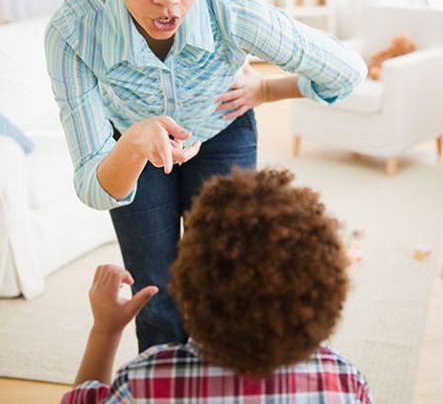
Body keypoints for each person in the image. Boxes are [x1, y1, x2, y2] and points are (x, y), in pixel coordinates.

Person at [45, 0, 367, 353]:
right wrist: (132, 142)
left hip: (222, 134)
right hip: (132, 152)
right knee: (155, 294)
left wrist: (268, 90)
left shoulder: (229, 2)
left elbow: (346, 70)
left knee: (227, 286)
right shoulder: (74, 31)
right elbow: (94, 185)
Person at [61, 168, 373, 404]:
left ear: (187, 285)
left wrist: (106, 330)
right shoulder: (343, 381)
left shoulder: (146, 381)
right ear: (327, 296)